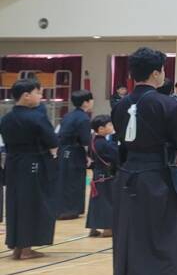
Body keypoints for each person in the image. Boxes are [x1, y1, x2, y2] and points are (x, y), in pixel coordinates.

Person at [109, 47, 177, 275]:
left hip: (127, 175)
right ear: (156, 73)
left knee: (133, 235)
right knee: (165, 233)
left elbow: (121, 139)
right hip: (158, 175)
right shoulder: (168, 104)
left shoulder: (120, 105)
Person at [1, 78, 58, 259]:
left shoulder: (6, 118)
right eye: (38, 93)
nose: (40, 96)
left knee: (15, 203)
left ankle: (17, 246)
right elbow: (52, 140)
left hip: (13, 163)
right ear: (26, 95)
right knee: (33, 203)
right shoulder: (36, 117)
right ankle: (26, 249)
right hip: (34, 162)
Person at [56, 90, 93, 220]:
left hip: (63, 150)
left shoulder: (68, 115)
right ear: (85, 102)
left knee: (64, 179)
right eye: (90, 100)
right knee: (74, 180)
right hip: (75, 151)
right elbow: (85, 140)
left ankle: (62, 208)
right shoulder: (84, 118)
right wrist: (89, 155)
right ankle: (70, 209)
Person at [85, 115, 118, 237]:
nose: (112, 126)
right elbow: (115, 155)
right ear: (101, 129)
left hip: (97, 174)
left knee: (96, 201)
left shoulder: (93, 140)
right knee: (107, 201)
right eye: (109, 125)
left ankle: (93, 227)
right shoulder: (104, 143)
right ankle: (108, 229)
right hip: (106, 175)